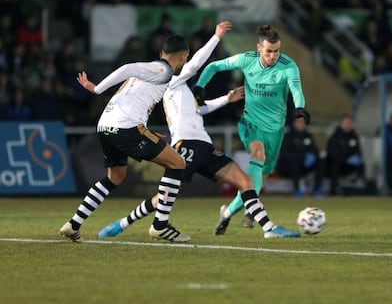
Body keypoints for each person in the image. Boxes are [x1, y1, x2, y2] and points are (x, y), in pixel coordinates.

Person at [98, 21, 301, 239]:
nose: (182, 62)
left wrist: (226, 98)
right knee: (164, 196)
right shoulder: (171, 79)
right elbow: (196, 65)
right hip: (186, 143)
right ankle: (123, 223)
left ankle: (269, 229)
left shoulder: (181, 89)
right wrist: (216, 36)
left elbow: (198, 110)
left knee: (245, 182)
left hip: (204, 145)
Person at [58, 32, 191, 243]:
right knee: (178, 163)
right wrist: (97, 88)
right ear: (184, 57)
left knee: (115, 177)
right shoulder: (163, 69)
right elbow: (128, 67)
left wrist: (144, 129)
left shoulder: (152, 72)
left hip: (106, 125)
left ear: (162, 52)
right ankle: (160, 225)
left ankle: (73, 224)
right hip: (126, 127)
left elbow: (134, 99)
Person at [193, 24, 310, 234]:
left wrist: (300, 108)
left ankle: (227, 214)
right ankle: (266, 225)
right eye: (269, 51)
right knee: (258, 154)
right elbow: (213, 67)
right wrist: (200, 87)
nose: (273, 56)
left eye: (276, 51)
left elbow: (296, 90)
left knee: (257, 182)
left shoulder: (288, 66)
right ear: (259, 48)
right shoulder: (245, 59)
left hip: (275, 130)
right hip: (250, 123)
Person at [276, 117, 324, 198]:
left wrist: (312, 156)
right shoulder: (288, 136)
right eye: (299, 122)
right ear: (294, 123)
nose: (301, 124)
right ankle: (297, 190)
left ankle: (317, 189)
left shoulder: (308, 136)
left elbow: (315, 150)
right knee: (294, 162)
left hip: (303, 166)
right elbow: (285, 153)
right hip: (288, 167)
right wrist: (302, 157)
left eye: (303, 122)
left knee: (321, 162)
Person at [326, 114, 365, 195]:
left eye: (350, 123)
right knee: (334, 167)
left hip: (350, 165)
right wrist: (346, 160)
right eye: (346, 123)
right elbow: (332, 154)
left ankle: (360, 189)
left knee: (361, 164)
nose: (348, 125)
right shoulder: (335, 137)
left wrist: (356, 158)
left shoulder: (354, 137)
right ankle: (333, 192)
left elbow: (358, 152)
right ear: (341, 124)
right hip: (339, 164)